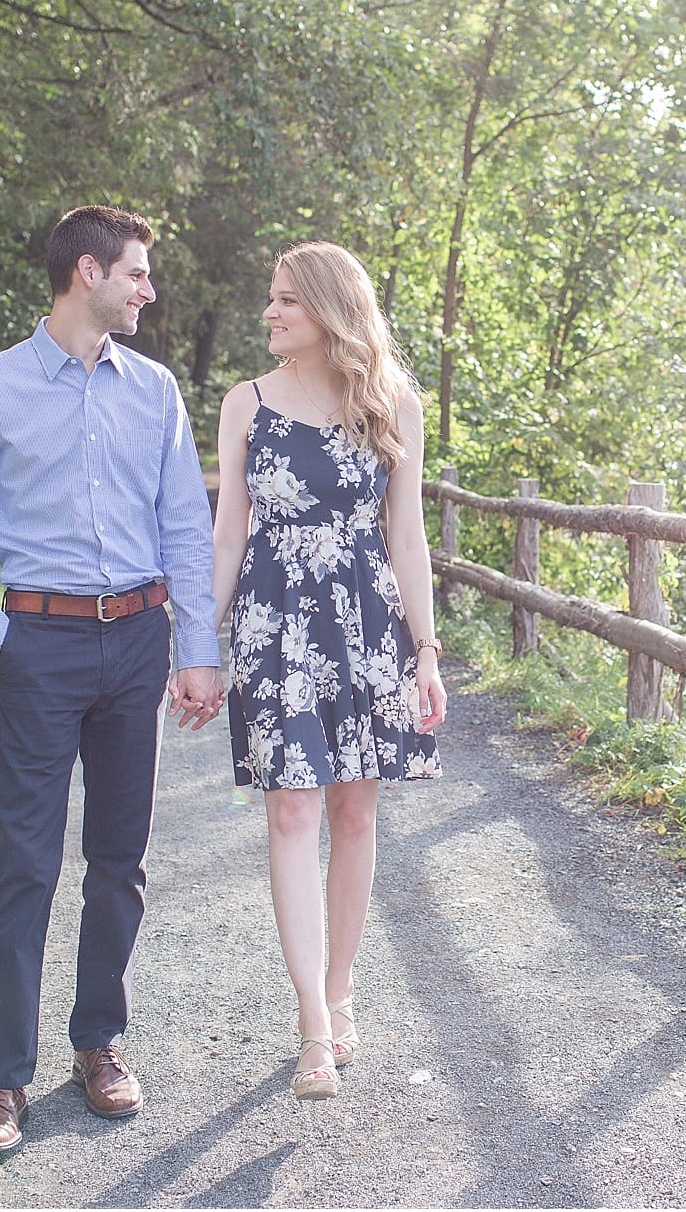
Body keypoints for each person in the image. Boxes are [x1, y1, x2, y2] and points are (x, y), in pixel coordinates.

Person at [0, 205, 225, 1153]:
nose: (148, 289)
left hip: (138, 640)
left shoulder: (157, 391)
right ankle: (0, 1080)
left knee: (120, 857)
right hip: (39, 644)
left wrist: (196, 649)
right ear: (87, 271)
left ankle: (99, 1042)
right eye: (136, 272)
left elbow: (185, 525)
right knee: (24, 862)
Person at [210, 240, 447, 1100]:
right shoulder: (248, 403)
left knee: (354, 808)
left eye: (285, 301)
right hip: (275, 628)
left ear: (329, 312)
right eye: (270, 298)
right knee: (292, 809)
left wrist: (425, 651)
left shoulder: (391, 406)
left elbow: (407, 538)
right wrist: (203, 642)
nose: (269, 313)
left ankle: (341, 993)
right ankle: (313, 1022)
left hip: (367, 625)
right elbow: (231, 530)